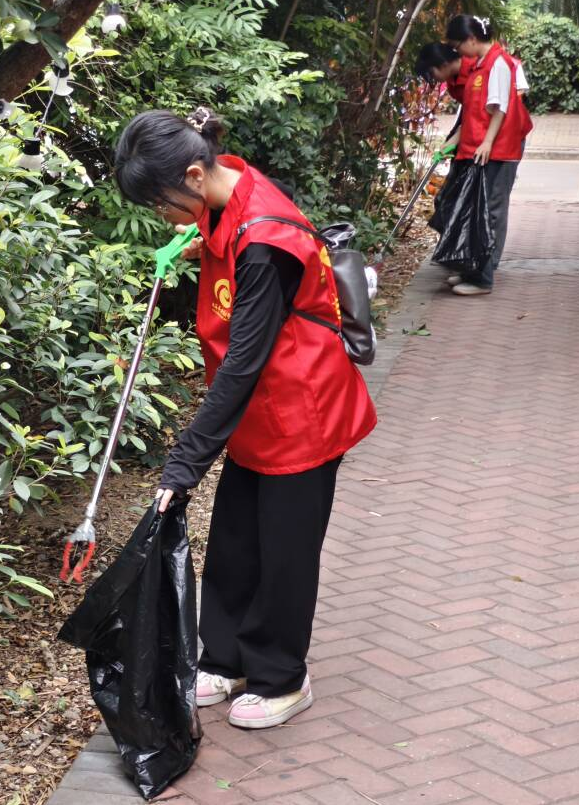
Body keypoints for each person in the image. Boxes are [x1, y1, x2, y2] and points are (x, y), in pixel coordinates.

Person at [114, 108, 377, 731]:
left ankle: (282, 677)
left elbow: (242, 366)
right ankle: (226, 659)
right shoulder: (223, 187)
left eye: (161, 203)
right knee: (235, 542)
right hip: (259, 412)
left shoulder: (263, 245)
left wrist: (184, 464)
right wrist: (193, 236)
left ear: (193, 174)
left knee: (285, 551)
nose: (162, 216)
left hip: (301, 409)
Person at [443, 15, 533, 297]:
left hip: (500, 149)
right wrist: (454, 143)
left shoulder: (499, 63)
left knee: (490, 212)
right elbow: (472, 112)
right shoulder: (480, 65)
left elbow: (500, 108)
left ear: (471, 39)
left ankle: (483, 278)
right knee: (476, 210)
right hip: (486, 148)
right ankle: (472, 269)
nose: (458, 52)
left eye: (458, 45)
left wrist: (487, 142)